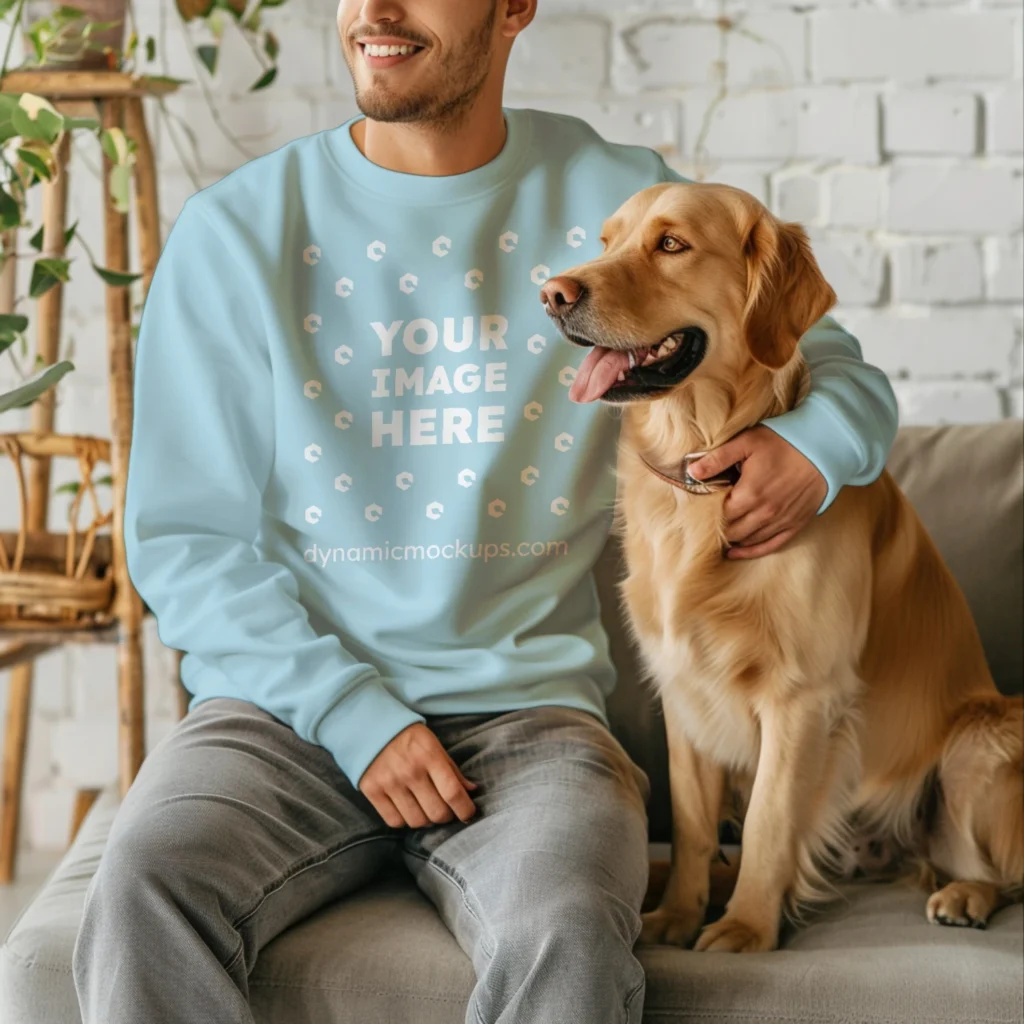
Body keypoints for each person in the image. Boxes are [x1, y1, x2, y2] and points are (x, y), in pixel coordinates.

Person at [71, 2, 899, 1022]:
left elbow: (838, 365)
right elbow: (184, 541)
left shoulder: (611, 198)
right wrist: (353, 717)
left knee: (567, 928)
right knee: (142, 887)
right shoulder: (236, 231)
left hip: (532, 723)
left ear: (513, 9)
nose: (374, 10)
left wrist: (813, 448)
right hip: (278, 715)